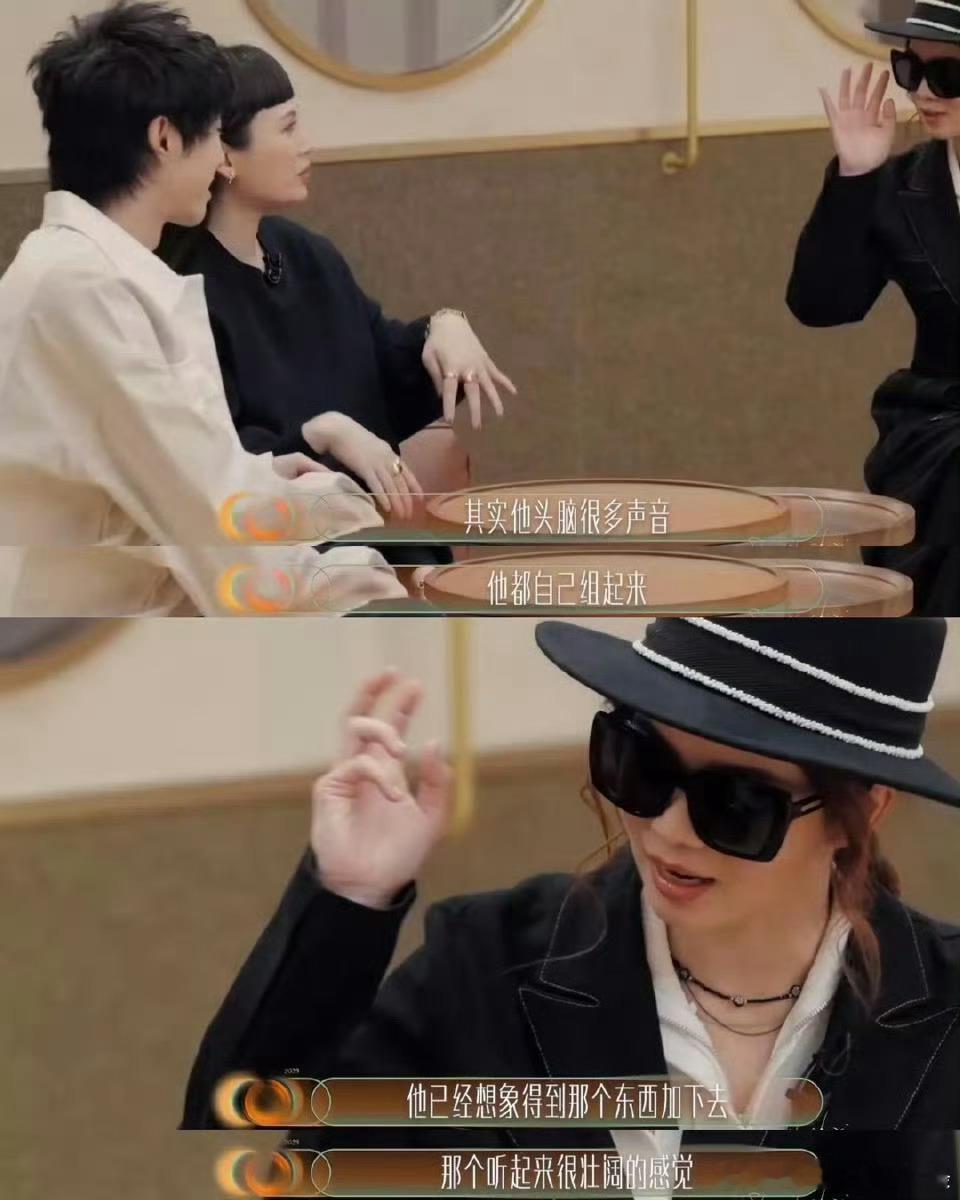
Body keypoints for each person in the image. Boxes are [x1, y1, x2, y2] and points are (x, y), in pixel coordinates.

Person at [183, 617, 960, 1199]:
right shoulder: (488, 963)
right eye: (640, 764)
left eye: (736, 805)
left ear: (863, 813)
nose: (668, 830)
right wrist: (352, 898)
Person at [0, 2, 404, 617]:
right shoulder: (81, 290)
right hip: (86, 634)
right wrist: (372, 585)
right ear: (165, 138)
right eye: (215, 135)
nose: (220, 162)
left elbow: (189, 479)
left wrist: (288, 488)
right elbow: (218, 532)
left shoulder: (89, 272)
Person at [157, 44, 516, 570]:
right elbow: (215, 461)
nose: (307, 145)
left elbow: (384, 372)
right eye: (288, 128)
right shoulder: (181, 286)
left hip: (371, 537)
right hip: (281, 557)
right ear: (225, 156)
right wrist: (321, 433)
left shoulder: (305, 253)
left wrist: (446, 325)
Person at [787, 1, 960, 617]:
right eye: (910, 70)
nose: (922, 93)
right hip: (941, 435)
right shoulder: (902, 185)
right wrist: (857, 175)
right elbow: (822, 305)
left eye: (948, 75)